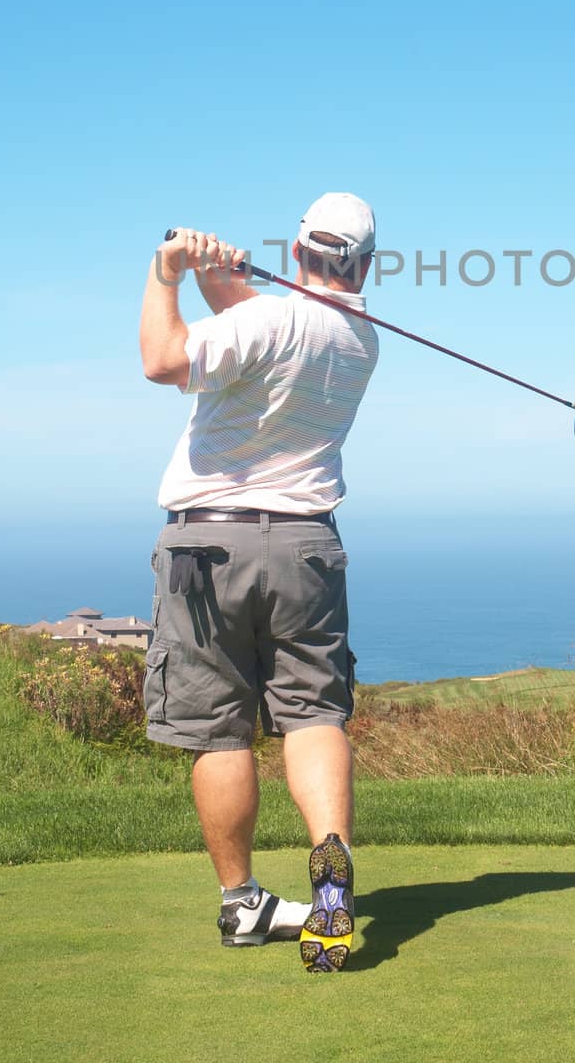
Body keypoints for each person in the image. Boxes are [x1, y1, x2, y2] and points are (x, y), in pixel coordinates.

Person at [138, 193, 379, 973]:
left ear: (300, 248)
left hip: (208, 543)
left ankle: (243, 901)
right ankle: (331, 875)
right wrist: (223, 276)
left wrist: (168, 273)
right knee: (311, 713)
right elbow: (260, 330)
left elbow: (163, 361)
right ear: (363, 264)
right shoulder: (358, 339)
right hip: (308, 545)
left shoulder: (264, 321)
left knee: (217, 727)